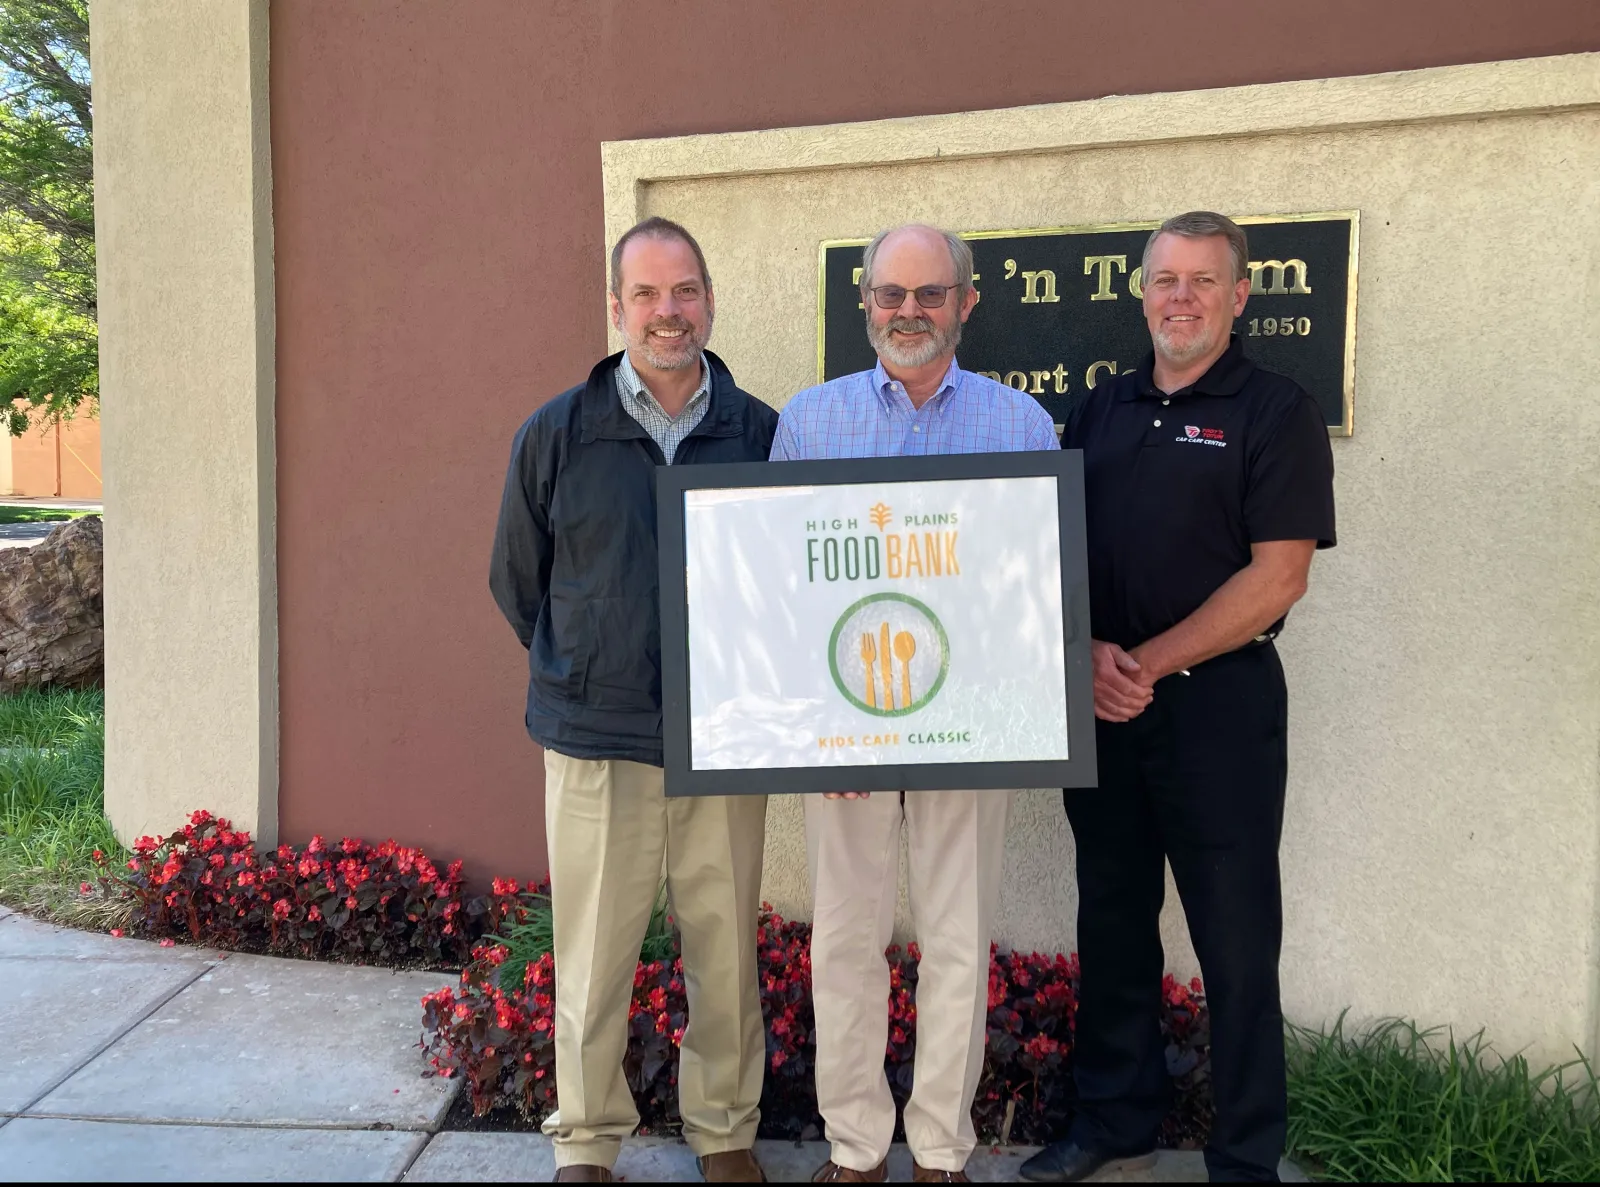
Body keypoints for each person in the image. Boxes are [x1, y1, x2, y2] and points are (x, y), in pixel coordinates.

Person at [1020, 211, 1336, 1184]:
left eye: (1204, 280)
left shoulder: (1274, 409)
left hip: (1218, 713)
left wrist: (1143, 661)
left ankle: (1244, 1154)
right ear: (1141, 290)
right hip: (1101, 708)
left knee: (1236, 939)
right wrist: (1081, 651)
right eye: (1165, 279)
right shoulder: (1101, 409)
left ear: (1239, 296)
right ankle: (1113, 1119)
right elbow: (1046, 550)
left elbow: (1278, 576)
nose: (1181, 297)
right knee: (1111, 921)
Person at [490, 216, 777, 1184]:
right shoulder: (558, 433)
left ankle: (724, 1128)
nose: (668, 312)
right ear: (616, 308)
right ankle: (586, 1139)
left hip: (726, 738)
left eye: (684, 290)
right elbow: (516, 581)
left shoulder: (761, 433)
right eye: (646, 294)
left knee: (725, 951)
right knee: (593, 955)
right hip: (595, 739)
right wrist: (583, 664)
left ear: (708, 300)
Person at [771, 223, 1060, 1184]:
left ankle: (939, 1150)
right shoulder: (811, 423)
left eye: (930, 294)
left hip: (967, 727)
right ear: (865, 303)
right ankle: (856, 1146)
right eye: (891, 294)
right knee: (845, 940)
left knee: (955, 943)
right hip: (845, 730)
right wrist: (819, 730)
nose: (909, 312)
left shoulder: (1021, 426)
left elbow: (1033, 591)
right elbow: (785, 584)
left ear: (966, 303)